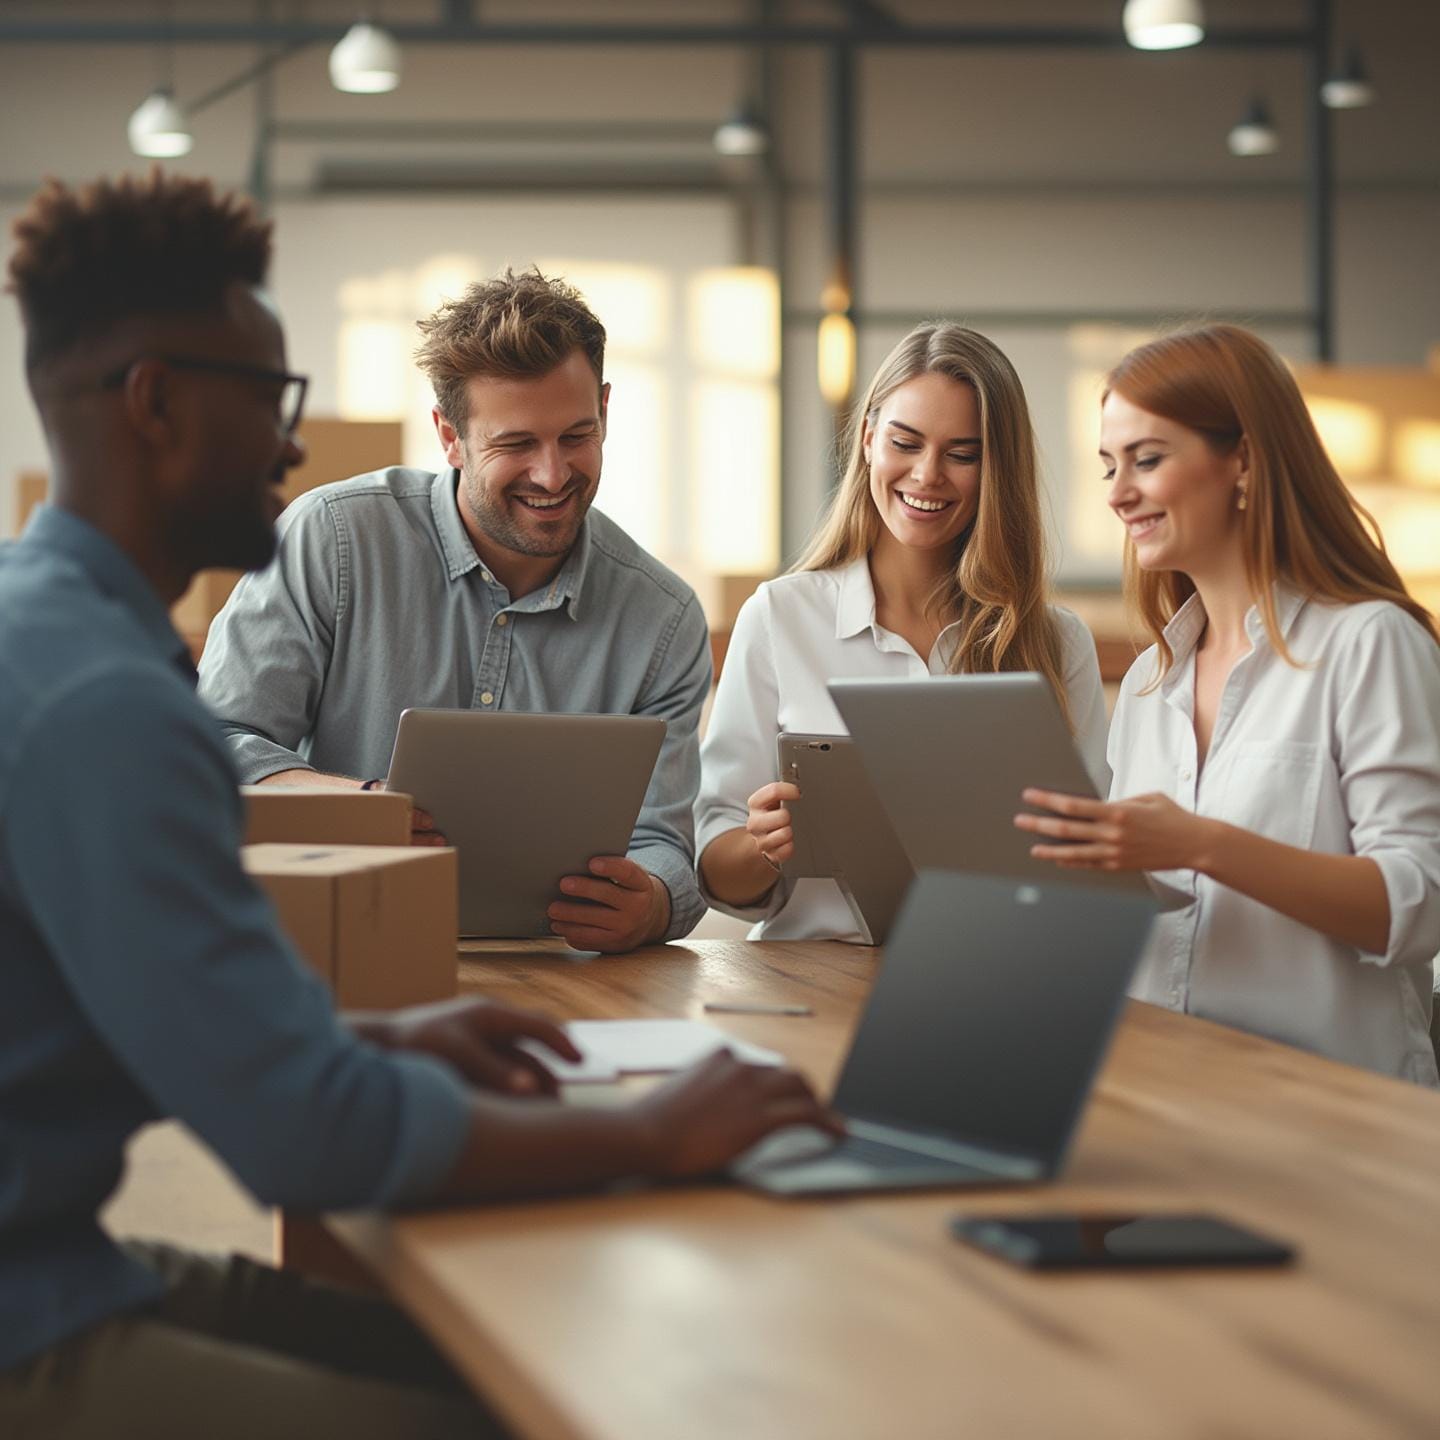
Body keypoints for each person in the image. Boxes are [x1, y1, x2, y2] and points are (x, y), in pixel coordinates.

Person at [0, 170, 837, 1437]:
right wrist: (653, 1134)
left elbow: (136, 1029)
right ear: (156, 406)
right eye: (270, 400)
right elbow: (300, 1138)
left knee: (463, 1360)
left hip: (52, 1256)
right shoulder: (109, 704)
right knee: (523, 1410)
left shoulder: (54, 638)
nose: (292, 442)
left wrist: (374, 1040)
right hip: (27, 1314)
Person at [197, 269, 709, 954]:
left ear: (606, 412)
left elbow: (665, 841)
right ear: (449, 435)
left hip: (557, 969)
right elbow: (217, 743)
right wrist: (363, 808)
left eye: (576, 436)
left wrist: (650, 903)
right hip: (335, 942)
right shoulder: (333, 539)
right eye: (516, 444)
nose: (553, 475)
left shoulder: (664, 618)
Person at [1015, 324, 1440, 1084]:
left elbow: (1417, 904)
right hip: (1164, 1096)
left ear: (1242, 459)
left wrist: (1198, 844)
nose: (1117, 493)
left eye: (1147, 460)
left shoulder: (1368, 644)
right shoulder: (1148, 682)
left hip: (1332, 1117)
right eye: (1111, 465)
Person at [696, 323, 1108, 940]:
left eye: (963, 454)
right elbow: (716, 872)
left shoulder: (1056, 643)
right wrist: (762, 845)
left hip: (987, 978)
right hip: (806, 984)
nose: (927, 475)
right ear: (867, 440)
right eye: (905, 442)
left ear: (997, 468)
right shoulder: (780, 617)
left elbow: (1090, 871)